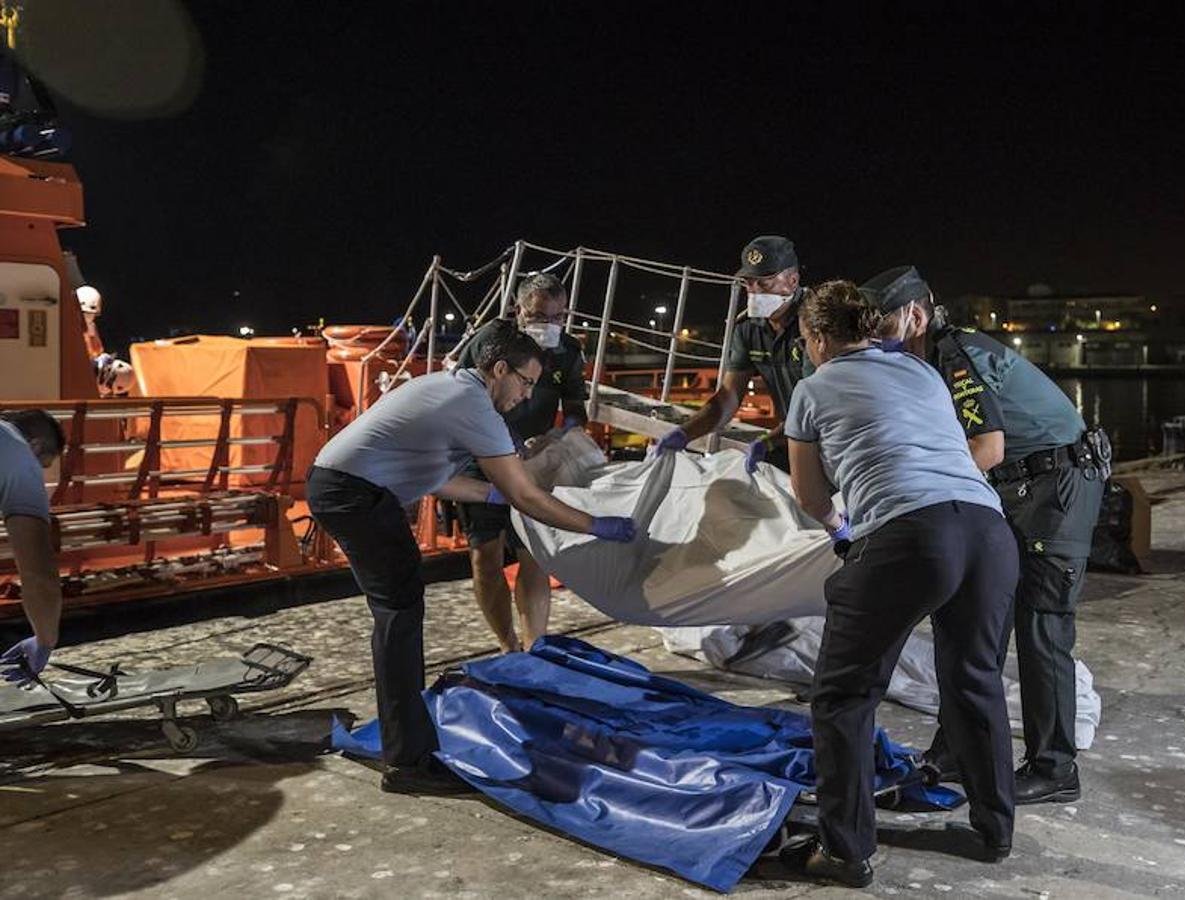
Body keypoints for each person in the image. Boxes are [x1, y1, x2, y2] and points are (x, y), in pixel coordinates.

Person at [307, 329, 636, 795]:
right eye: (526, 382)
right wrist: (596, 525)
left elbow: (444, 482)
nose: (527, 395)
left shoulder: (446, 388)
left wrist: (495, 493)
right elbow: (526, 495)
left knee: (398, 612)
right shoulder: (473, 405)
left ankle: (406, 743)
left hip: (343, 488)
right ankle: (407, 762)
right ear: (499, 370)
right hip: (355, 495)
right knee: (399, 614)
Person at [779, 281, 1018, 887]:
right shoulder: (921, 371)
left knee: (843, 696)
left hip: (911, 536)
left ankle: (845, 851)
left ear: (816, 338)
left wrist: (843, 530)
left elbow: (810, 497)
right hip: (989, 532)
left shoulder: (812, 388)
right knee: (974, 680)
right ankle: (995, 830)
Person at [865, 264, 1110, 806]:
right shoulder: (923, 358)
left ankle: (1053, 767)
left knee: (1041, 627)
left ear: (914, 315)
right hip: (1017, 490)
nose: (875, 337)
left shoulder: (958, 357)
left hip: (1057, 489)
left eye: (882, 324)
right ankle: (955, 748)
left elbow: (987, 448)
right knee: (973, 619)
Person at [455, 273, 587, 653]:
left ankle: (535, 648)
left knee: (535, 555)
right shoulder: (489, 340)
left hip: (534, 462)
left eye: (558, 317)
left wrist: (561, 434)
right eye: (540, 316)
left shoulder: (567, 350)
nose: (550, 325)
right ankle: (507, 646)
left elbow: (576, 406)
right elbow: (462, 392)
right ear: (519, 312)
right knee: (485, 556)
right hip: (482, 461)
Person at [655, 235, 813, 472]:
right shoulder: (748, 328)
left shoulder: (817, 322)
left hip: (832, 435)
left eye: (764, 283)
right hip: (792, 434)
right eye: (748, 282)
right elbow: (729, 396)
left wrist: (770, 442)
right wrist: (684, 433)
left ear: (792, 281)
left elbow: (817, 405)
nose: (754, 291)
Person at [0, 410, 65, 683]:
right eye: (43, 465)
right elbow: (39, 573)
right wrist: (45, 640)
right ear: (35, 446)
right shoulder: (19, 455)